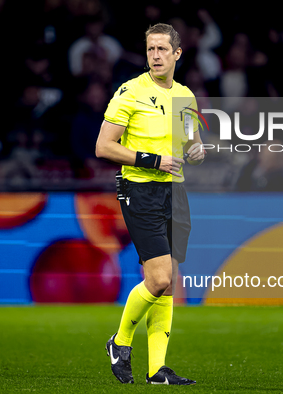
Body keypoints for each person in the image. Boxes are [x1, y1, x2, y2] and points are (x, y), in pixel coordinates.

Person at [95, 23, 204, 385]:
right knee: (157, 279)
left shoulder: (186, 96)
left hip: (175, 192)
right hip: (140, 190)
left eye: (162, 50)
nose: (155, 56)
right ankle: (120, 341)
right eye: (150, 50)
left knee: (168, 283)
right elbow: (104, 147)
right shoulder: (129, 93)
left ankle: (157, 370)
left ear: (177, 54)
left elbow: (190, 143)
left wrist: (196, 150)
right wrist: (151, 161)